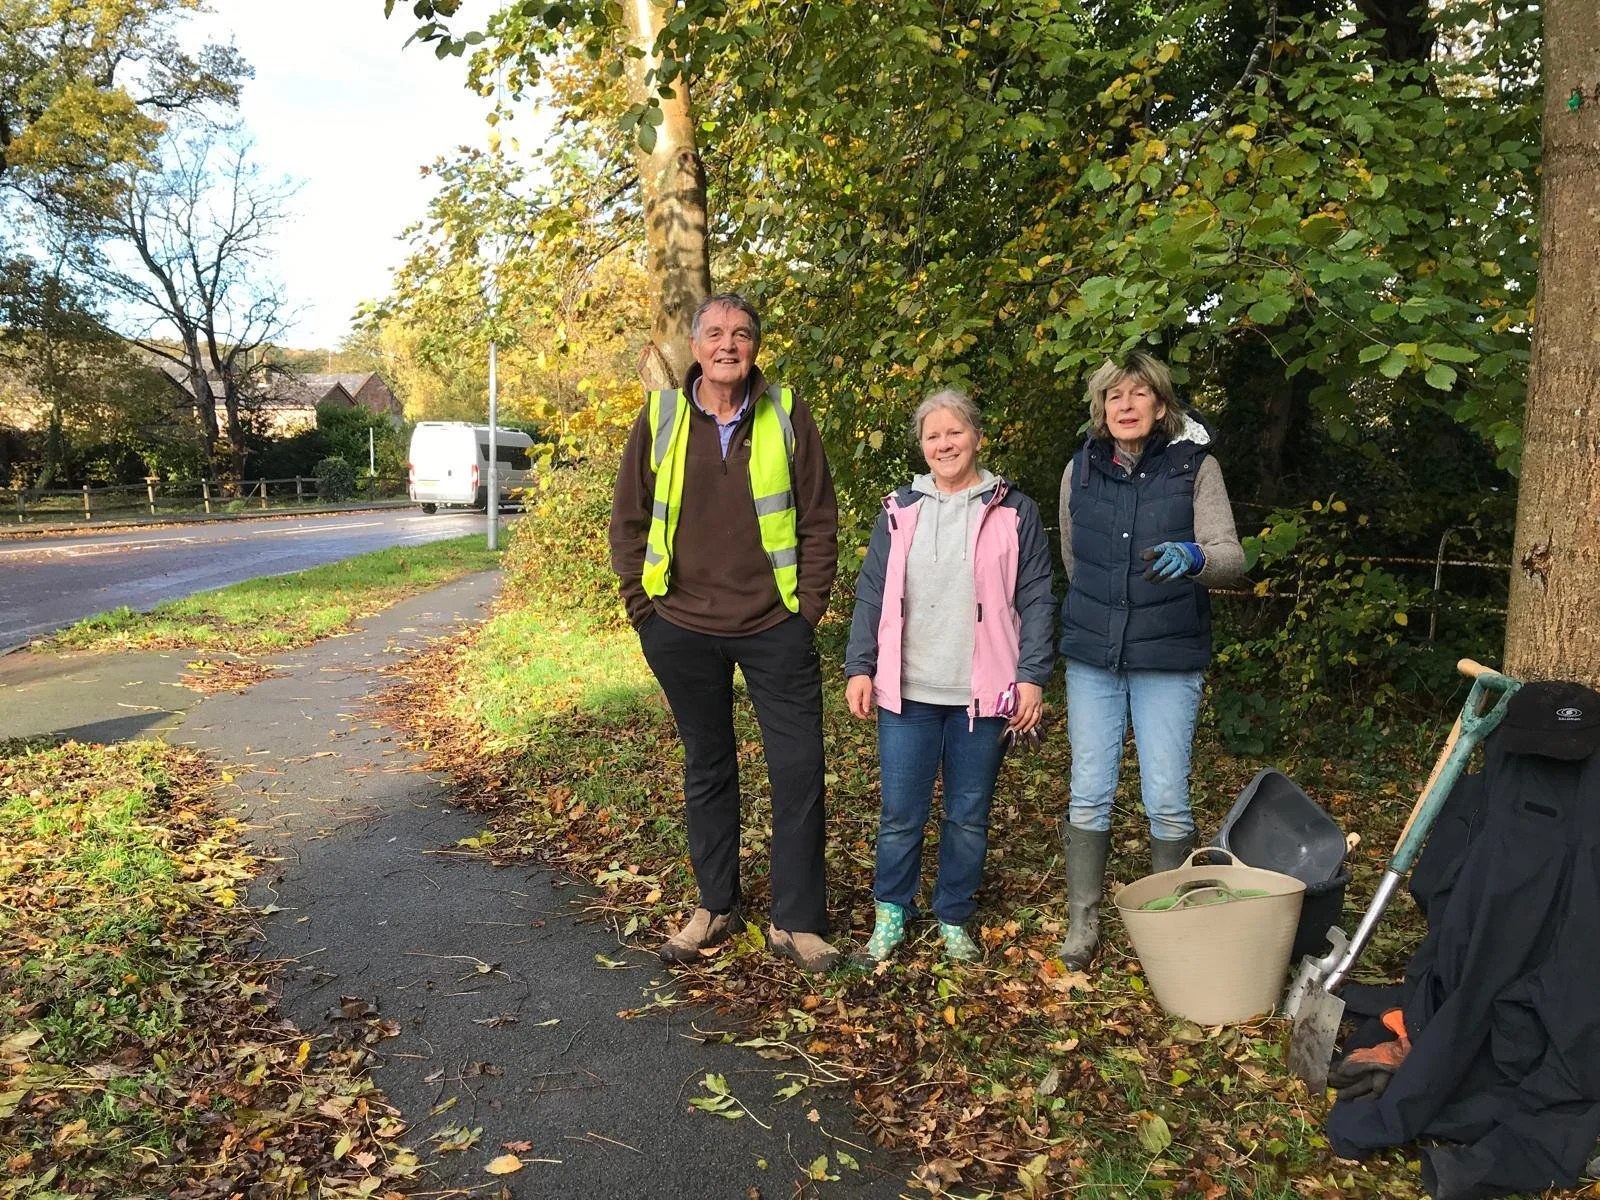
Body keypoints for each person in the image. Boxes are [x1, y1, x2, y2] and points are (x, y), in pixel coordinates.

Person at [609, 293, 842, 974]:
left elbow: (818, 516)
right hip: (679, 626)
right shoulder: (661, 417)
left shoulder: (787, 413)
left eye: (741, 334)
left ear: (755, 346)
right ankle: (716, 906)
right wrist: (644, 611)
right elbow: (628, 520)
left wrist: (807, 610)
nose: (728, 345)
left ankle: (797, 920)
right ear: (695, 346)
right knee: (707, 766)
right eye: (714, 334)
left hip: (775, 626)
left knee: (798, 769)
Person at [844, 390, 1055, 963]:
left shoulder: (1015, 510)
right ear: (922, 446)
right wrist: (860, 665)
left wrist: (1032, 675)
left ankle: (953, 915)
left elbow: (1037, 596)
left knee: (967, 816)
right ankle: (892, 911)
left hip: (983, 695)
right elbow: (871, 592)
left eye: (954, 432)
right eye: (932, 435)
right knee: (900, 815)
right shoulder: (899, 509)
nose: (944, 444)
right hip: (907, 690)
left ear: (977, 438)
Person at [1056, 351, 1245, 970]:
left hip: (1168, 657)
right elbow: (1074, 561)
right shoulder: (1079, 471)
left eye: (1138, 394)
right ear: (1101, 409)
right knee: (1089, 793)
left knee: (1165, 798)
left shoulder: (1196, 468)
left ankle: (1171, 925)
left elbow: (1231, 558)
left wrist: (1196, 558)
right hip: (1093, 657)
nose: (1126, 405)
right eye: (1114, 396)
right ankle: (1083, 923)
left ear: (1161, 407)